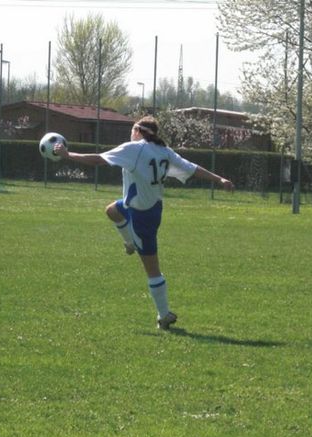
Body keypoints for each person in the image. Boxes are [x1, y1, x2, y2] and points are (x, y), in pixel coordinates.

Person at [54, 116, 234, 330]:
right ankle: (130, 243)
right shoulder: (164, 151)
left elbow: (97, 159)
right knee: (112, 210)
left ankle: (164, 314)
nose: (131, 133)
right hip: (146, 207)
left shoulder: (135, 148)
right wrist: (219, 179)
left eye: (132, 129)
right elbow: (193, 168)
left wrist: (67, 155)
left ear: (138, 131)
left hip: (142, 216)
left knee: (152, 269)